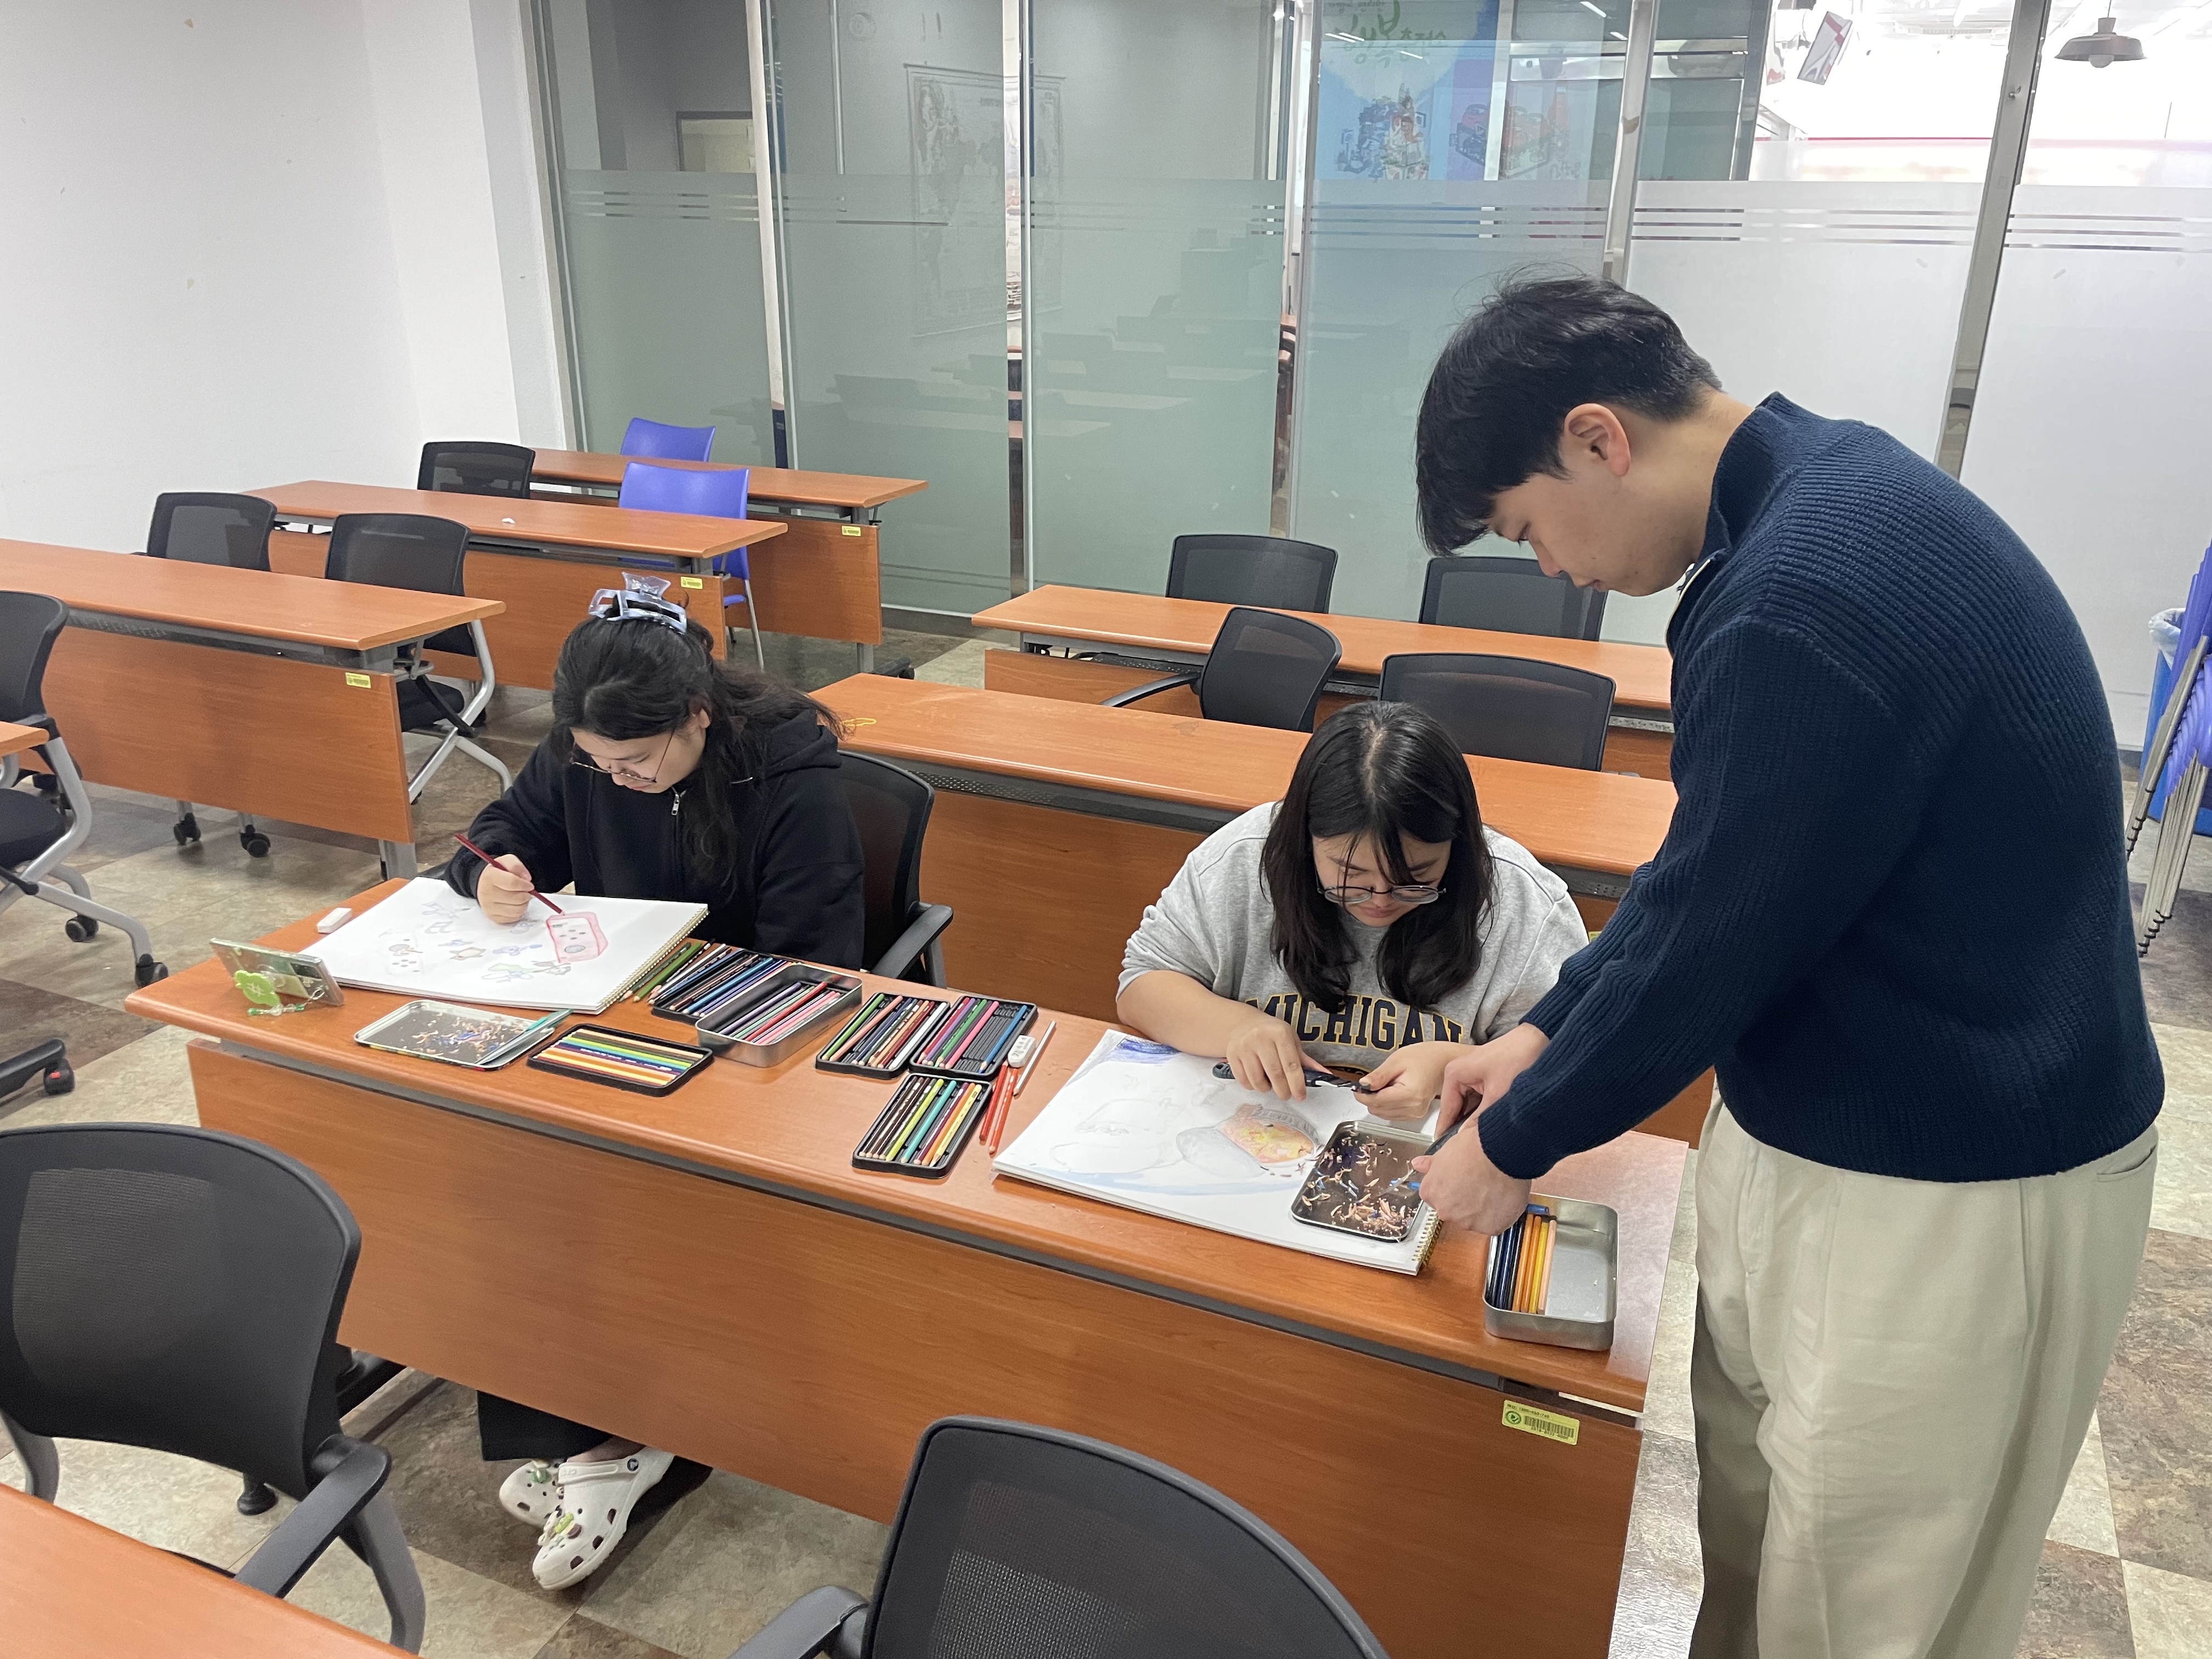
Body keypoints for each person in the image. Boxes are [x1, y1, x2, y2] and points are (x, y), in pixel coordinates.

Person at [1409, 274, 2160, 1657]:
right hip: (1833, 1134)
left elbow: (1715, 943)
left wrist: (1515, 1140)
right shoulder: (1808, 506)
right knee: (1764, 1555)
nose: (1554, 572)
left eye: (1527, 529)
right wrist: (1546, 1030)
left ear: (1596, 438)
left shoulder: (1805, 593)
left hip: (1956, 1181)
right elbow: (1720, 869)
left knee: (1871, 1610)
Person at [444, 588, 864, 1589]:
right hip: (617, 1014)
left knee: (590, 1181)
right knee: (510, 1156)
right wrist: (493, 874)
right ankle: (590, 1425)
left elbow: (811, 964)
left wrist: (677, 1022)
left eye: (634, 761)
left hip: (745, 1044)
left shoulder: (792, 780)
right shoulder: (589, 750)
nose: (614, 779)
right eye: (595, 761)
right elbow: (503, 830)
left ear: (696, 716)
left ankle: (615, 1436)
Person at [1118, 700, 1588, 1115]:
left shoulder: (1523, 904)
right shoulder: (1242, 860)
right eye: (1350, 876)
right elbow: (1142, 985)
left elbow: (1574, 1061)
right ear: (1305, 840)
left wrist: (1454, 1064)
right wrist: (1236, 1027)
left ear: (1457, 843)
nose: (1380, 900)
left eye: (1416, 877)